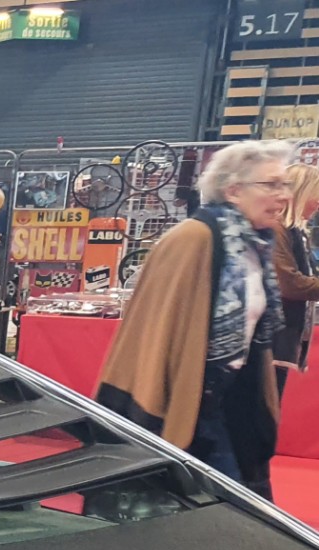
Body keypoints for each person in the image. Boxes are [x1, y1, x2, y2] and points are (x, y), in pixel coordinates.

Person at [96, 140, 291, 498]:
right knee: (229, 507)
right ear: (233, 190)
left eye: (285, 184)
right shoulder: (192, 238)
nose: (283, 195)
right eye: (271, 185)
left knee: (243, 505)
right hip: (187, 403)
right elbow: (154, 333)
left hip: (235, 401)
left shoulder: (256, 246)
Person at [271, 162, 319, 394]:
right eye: (315, 195)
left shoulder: (296, 232)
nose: (318, 202)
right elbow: (290, 284)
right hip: (271, 333)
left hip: (283, 329)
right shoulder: (279, 230)